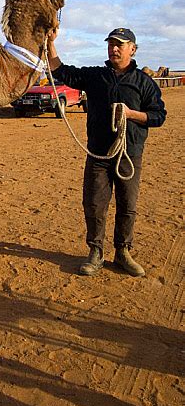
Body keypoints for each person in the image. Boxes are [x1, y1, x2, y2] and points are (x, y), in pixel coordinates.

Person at [47, 27, 166, 277]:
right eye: (111, 44)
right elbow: (61, 71)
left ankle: (123, 252)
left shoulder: (144, 83)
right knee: (94, 203)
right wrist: (50, 43)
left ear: (132, 49)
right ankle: (96, 251)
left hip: (128, 154)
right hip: (98, 154)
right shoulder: (95, 76)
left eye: (119, 44)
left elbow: (158, 116)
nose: (114, 48)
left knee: (127, 205)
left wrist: (132, 114)